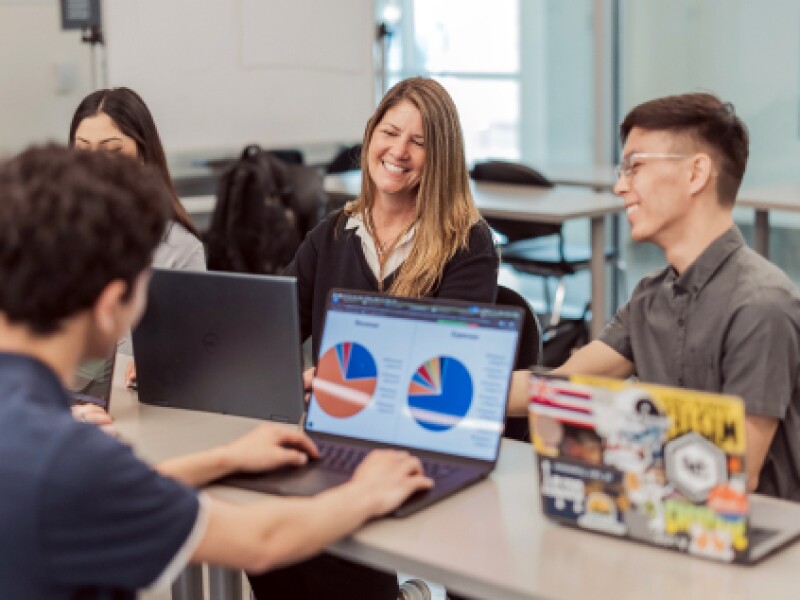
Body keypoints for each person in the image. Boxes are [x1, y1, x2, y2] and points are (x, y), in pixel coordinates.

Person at [0, 145, 432, 599]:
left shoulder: (55, 449)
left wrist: (225, 459)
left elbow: (99, 494)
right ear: (110, 307)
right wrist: (366, 491)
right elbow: (260, 542)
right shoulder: (71, 460)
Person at [251, 77, 499, 599]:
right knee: (260, 523)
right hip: (336, 436)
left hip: (413, 441)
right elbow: (272, 328)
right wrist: (198, 357)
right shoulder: (333, 233)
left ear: (442, 157)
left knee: (320, 536)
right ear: (370, 137)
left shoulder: (467, 245)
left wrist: (344, 381)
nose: (399, 151)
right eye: (390, 132)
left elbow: (446, 368)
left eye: (420, 141)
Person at [507, 92, 800, 501]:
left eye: (635, 167)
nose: (620, 185)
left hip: (753, 542)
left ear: (696, 174)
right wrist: (460, 394)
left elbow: (737, 474)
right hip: (669, 520)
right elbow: (560, 385)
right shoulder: (651, 296)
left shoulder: (762, 305)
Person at [68, 87, 205, 398]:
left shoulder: (180, 249)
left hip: (138, 408)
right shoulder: (51, 235)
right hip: (62, 406)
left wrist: (164, 363)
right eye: (82, 149)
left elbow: (191, 354)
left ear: (144, 156)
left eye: (112, 150)